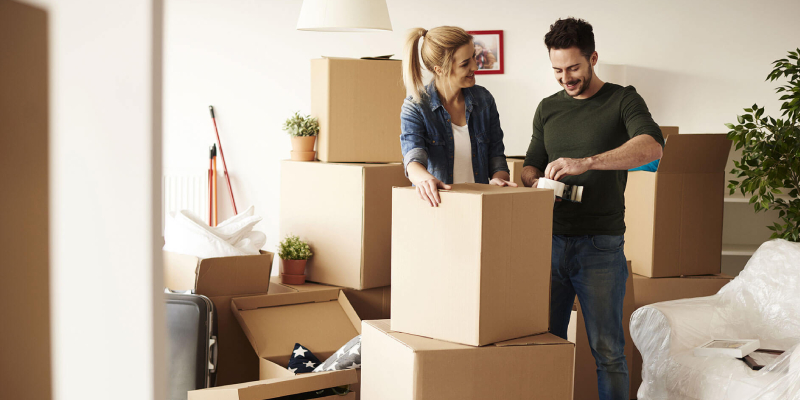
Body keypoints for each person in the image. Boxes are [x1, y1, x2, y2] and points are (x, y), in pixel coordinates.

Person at [521, 18, 664, 400]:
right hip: (549, 243)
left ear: (593, 58)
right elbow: (532, 162)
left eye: (573, 68)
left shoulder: (623, 100)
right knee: (542, 344)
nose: (565, 78)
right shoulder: (547, 108)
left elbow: (653, 148)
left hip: (601, 246)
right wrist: (530, 179)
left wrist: (588, 161)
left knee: (608, 352)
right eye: (557, 70)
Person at [400, 26, 516, 207]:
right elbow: (413, 159)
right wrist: (425, 180)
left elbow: (497, 158)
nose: (475, 66)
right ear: (440, 70)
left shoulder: (484, 100)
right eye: (465, 63)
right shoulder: (416, 107)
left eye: (474, 57)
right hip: (438, 207)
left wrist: (498, 181)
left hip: (480, 207)